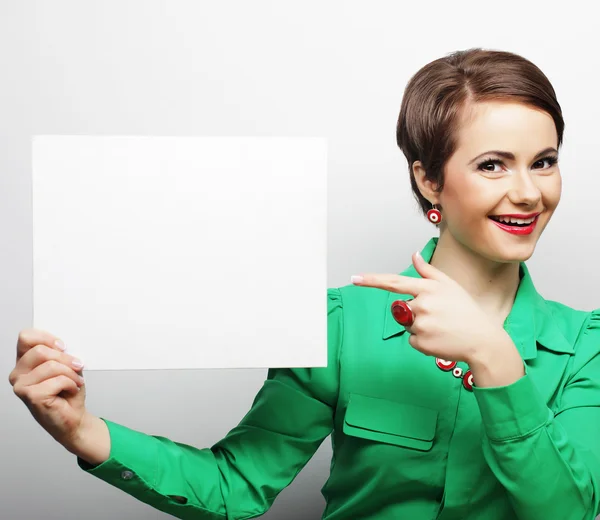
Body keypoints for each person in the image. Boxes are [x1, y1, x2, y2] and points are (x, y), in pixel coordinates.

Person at [9, 47, 600, 520]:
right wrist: (82, 431)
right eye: (492, 164)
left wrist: (496, 360)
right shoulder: (337, 327)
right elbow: (235, 487)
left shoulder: (586, 345)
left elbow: (567, 511)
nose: (528, 192)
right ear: (429, 180)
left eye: (544, 161)